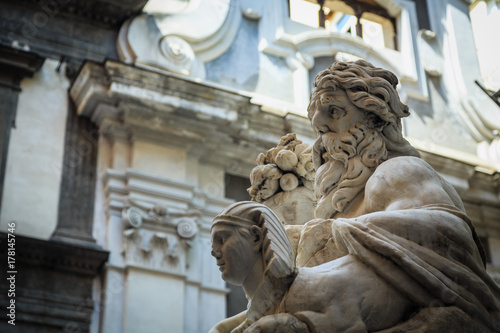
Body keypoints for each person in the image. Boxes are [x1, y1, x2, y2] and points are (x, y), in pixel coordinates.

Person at [210, 60, 500, 332]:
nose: (321, 127)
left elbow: (432, 250)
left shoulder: (398, 172)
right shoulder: (339, 202)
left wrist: (319, 241)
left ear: (374, 118)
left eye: (334, 111)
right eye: (317, 118)